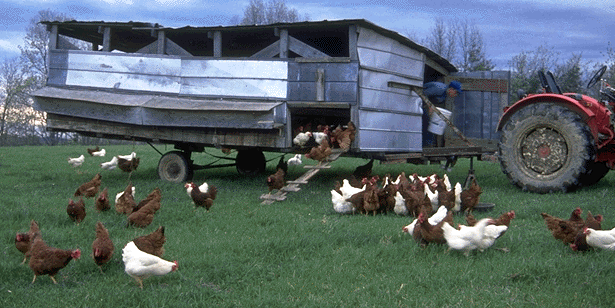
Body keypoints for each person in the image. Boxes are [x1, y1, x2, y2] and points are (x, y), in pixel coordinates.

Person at [421, 80, 462, 147]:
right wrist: (430, 106)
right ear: (451, 89)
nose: (456, 95)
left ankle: (428, 145)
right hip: (416, 103)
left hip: (423, 106)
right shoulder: (439, 88)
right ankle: (425, 145)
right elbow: (423, 94)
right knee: (426, 122)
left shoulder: (444, 95)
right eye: (456, 92)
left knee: (430, 124)